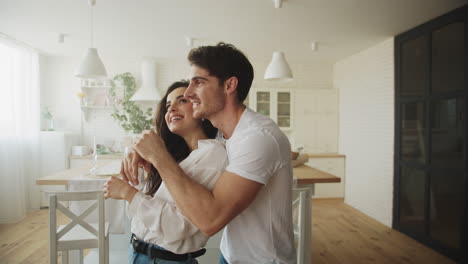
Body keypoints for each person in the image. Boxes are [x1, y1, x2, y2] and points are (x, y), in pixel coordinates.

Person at [125, 43, 296, 264]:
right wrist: (135, 151)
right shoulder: (221, 136)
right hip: (230, 254)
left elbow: (210, 219)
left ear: (229, 85)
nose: (188, 92)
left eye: (198, 82)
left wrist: (158, 156)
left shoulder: (258, 138)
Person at [103, 80, 228, 264]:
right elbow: (143, 214)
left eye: (182, 101)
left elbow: (177, 227)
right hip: (138, 253)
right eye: (168, 105)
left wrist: (127, 193)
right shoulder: (176, 156)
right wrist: (136, 156)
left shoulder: (213, 154)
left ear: (201, 110)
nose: (171, 109)